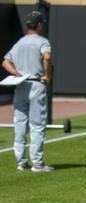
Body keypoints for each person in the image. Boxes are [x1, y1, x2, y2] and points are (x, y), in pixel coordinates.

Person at [2, 11, 54, 172]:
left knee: (20, 124)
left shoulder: (19, 42)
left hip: (21, 85)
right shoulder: (42, 41)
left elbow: (5, 62)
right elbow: (47, 57)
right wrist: (47, 75)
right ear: (38, 24)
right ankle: (37, 163)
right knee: (37, 125)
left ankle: (21, 162)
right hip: (36, 84)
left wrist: (16, 73)